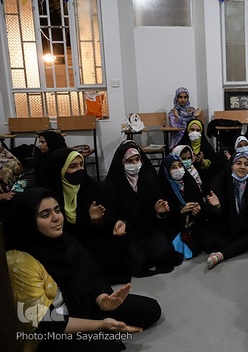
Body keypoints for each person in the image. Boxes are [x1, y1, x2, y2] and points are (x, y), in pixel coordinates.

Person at [3, 188, 162, 352]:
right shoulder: (19, 262)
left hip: (79, 306)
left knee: (149, 309)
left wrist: (102, 299)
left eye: (57, 210)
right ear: (27, 221)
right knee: (108, 347)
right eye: (45, 215)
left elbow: (88, 275)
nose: (56, 218)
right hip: (49, 330)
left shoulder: (63, 240)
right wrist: (99, 325)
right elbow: (43, 322)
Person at [42, 148, 127, 284]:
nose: (80, 169)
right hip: (60, 241)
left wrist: (101, 221)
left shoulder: (89, 186)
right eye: (73, 166)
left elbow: (109, 214)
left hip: (87, 237)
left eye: (81, 165)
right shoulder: (48, 194)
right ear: (60, 169)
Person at [102, 141, 180, 277]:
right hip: (129, 232)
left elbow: (157, 202)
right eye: (129, 161)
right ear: (121, 163)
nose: (134, 164)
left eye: (137, 159)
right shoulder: (113, 184)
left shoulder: (149, 177)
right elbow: (110, 211)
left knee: (162, 253)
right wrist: (117, 222)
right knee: (137, 261)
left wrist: (158, 210)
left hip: (151, 228)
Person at [203, 152, 248, 269]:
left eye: (246, 164)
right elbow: (212, 216)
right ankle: (241, 245)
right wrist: (217, 207)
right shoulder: (220, 182)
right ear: (231, 166)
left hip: (243, 226)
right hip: (225, 227)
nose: (243, 167)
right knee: (208, 242)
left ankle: (221, 255)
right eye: (238, 163)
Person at [157, 154, 204, 260]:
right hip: (173, 226)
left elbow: (201, 207)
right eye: (173, 167)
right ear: (167, 171)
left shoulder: (190, 182)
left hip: (192, 225)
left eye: (180, 166)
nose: (178, 169)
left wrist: (197, 211)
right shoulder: (163, 187)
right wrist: (181, 212)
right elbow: (164, 220)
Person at [177, 118, 221, 188]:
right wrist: (190, 161)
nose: (195, 132)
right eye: (192, 130)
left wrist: (203, 162)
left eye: (198, 130)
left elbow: (214, 166)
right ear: (187, 130)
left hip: (204, 180)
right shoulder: (180, 146)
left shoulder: (206, 147)